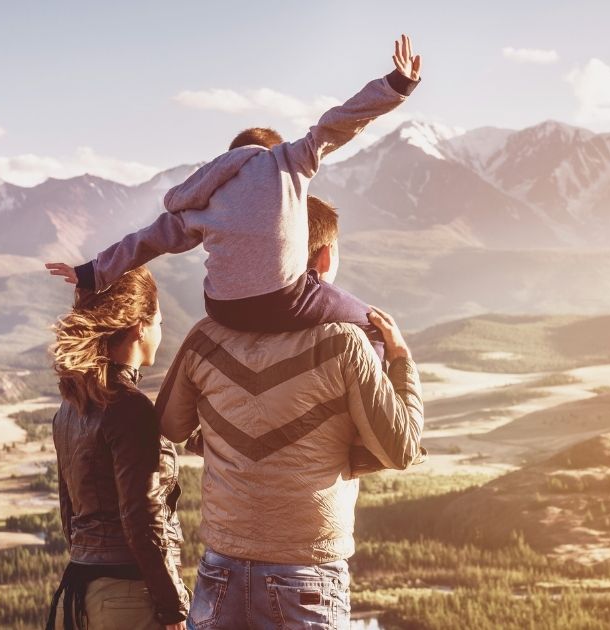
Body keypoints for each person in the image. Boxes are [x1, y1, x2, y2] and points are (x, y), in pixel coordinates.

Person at [45, 34, 423, 360]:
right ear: (270, 149)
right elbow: (338, 123)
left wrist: (90, 272)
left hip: (223, 309)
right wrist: (396, 86)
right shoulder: (287, 161)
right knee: (374, 327)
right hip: (284, 298)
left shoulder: (204, 198)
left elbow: (147, 240)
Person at [155, 195, 424, 629]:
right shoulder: (344, 343)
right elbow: (402, 450)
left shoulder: (205, 337)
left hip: (220, 567)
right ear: (325, 256)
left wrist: (220, 433)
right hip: (307, 572)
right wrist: (401, 362)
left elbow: (168, 424)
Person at [46, 266, 189, 630]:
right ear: (140, 326)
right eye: (159, 321)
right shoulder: (130, 406)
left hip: (82, 591)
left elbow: (70, 514)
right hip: (128, 599)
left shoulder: (71, 407)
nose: (161, 331)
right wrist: (174, 608)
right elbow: (142, 518)